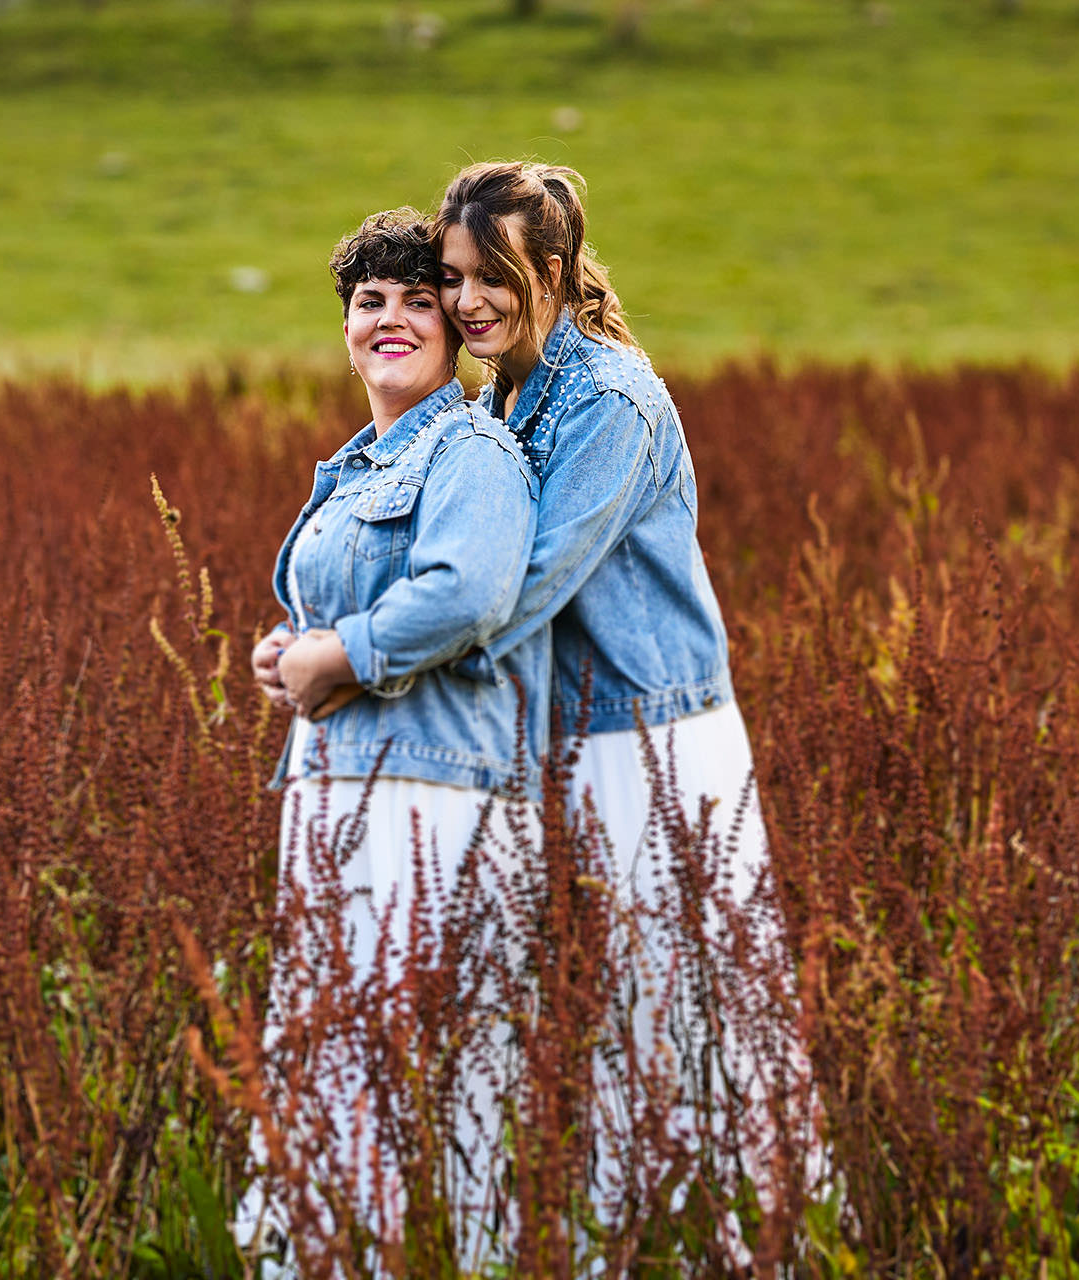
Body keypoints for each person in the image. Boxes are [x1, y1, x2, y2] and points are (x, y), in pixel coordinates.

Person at [430, 161, 791, 1250]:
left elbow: (526, 584)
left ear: (549, 270)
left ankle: (729, 1242)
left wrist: (364, 659)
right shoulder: (504, 397)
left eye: (491, 276)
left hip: (654, 743)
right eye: (453, 276)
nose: (466, 302)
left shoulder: (609, 400)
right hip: (575, 738)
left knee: (676, 1007)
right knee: (602, 1006)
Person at [243, 207, 549, 1273]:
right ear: (345, 325)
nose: (393, 319)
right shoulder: (357, 467)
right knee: (329, 1066)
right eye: (370, 301)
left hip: (433, 802)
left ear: (454, 327)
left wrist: (338, 654)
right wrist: (288, 649)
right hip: (337, 793)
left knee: (435, 1075)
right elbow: (340, 605)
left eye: (420, 301)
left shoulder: (472, 450)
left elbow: (467, 592)